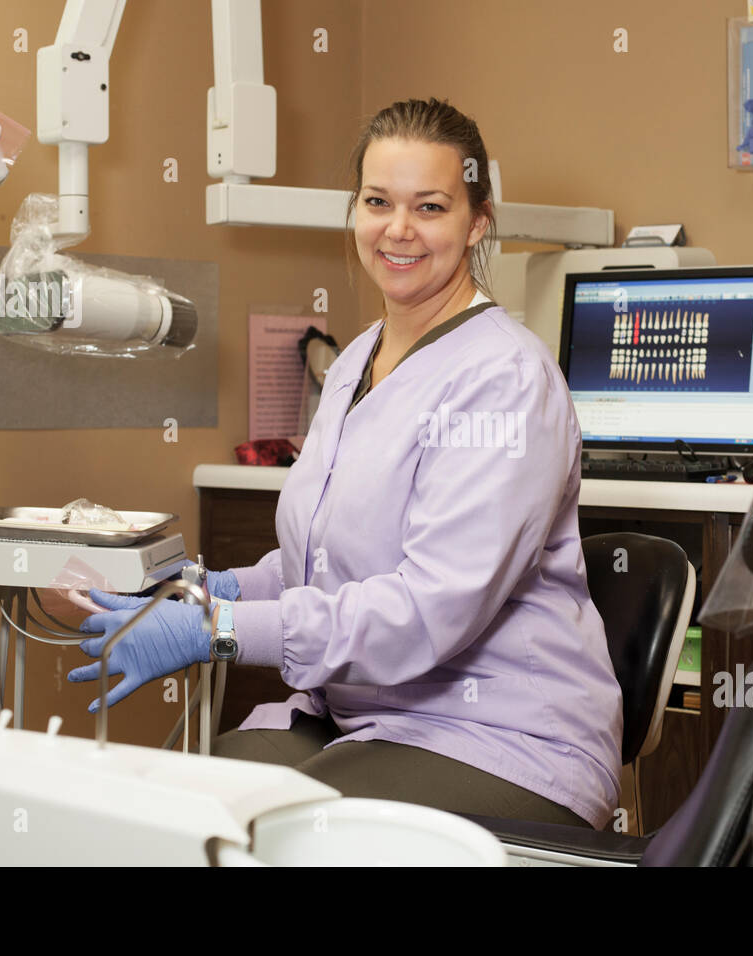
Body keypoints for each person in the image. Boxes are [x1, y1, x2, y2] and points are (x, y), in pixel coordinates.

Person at [70, 98, 623, 830]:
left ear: (477, 221)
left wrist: (220, 628)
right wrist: (205, 588)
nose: (398, 229)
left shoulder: (505, 381)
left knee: (292, 831)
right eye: (377, 202)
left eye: (430, 206)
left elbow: (427, 610)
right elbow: (329, 562)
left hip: (503, 738)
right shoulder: (355, 361)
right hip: (361, 712)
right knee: (192, 804)